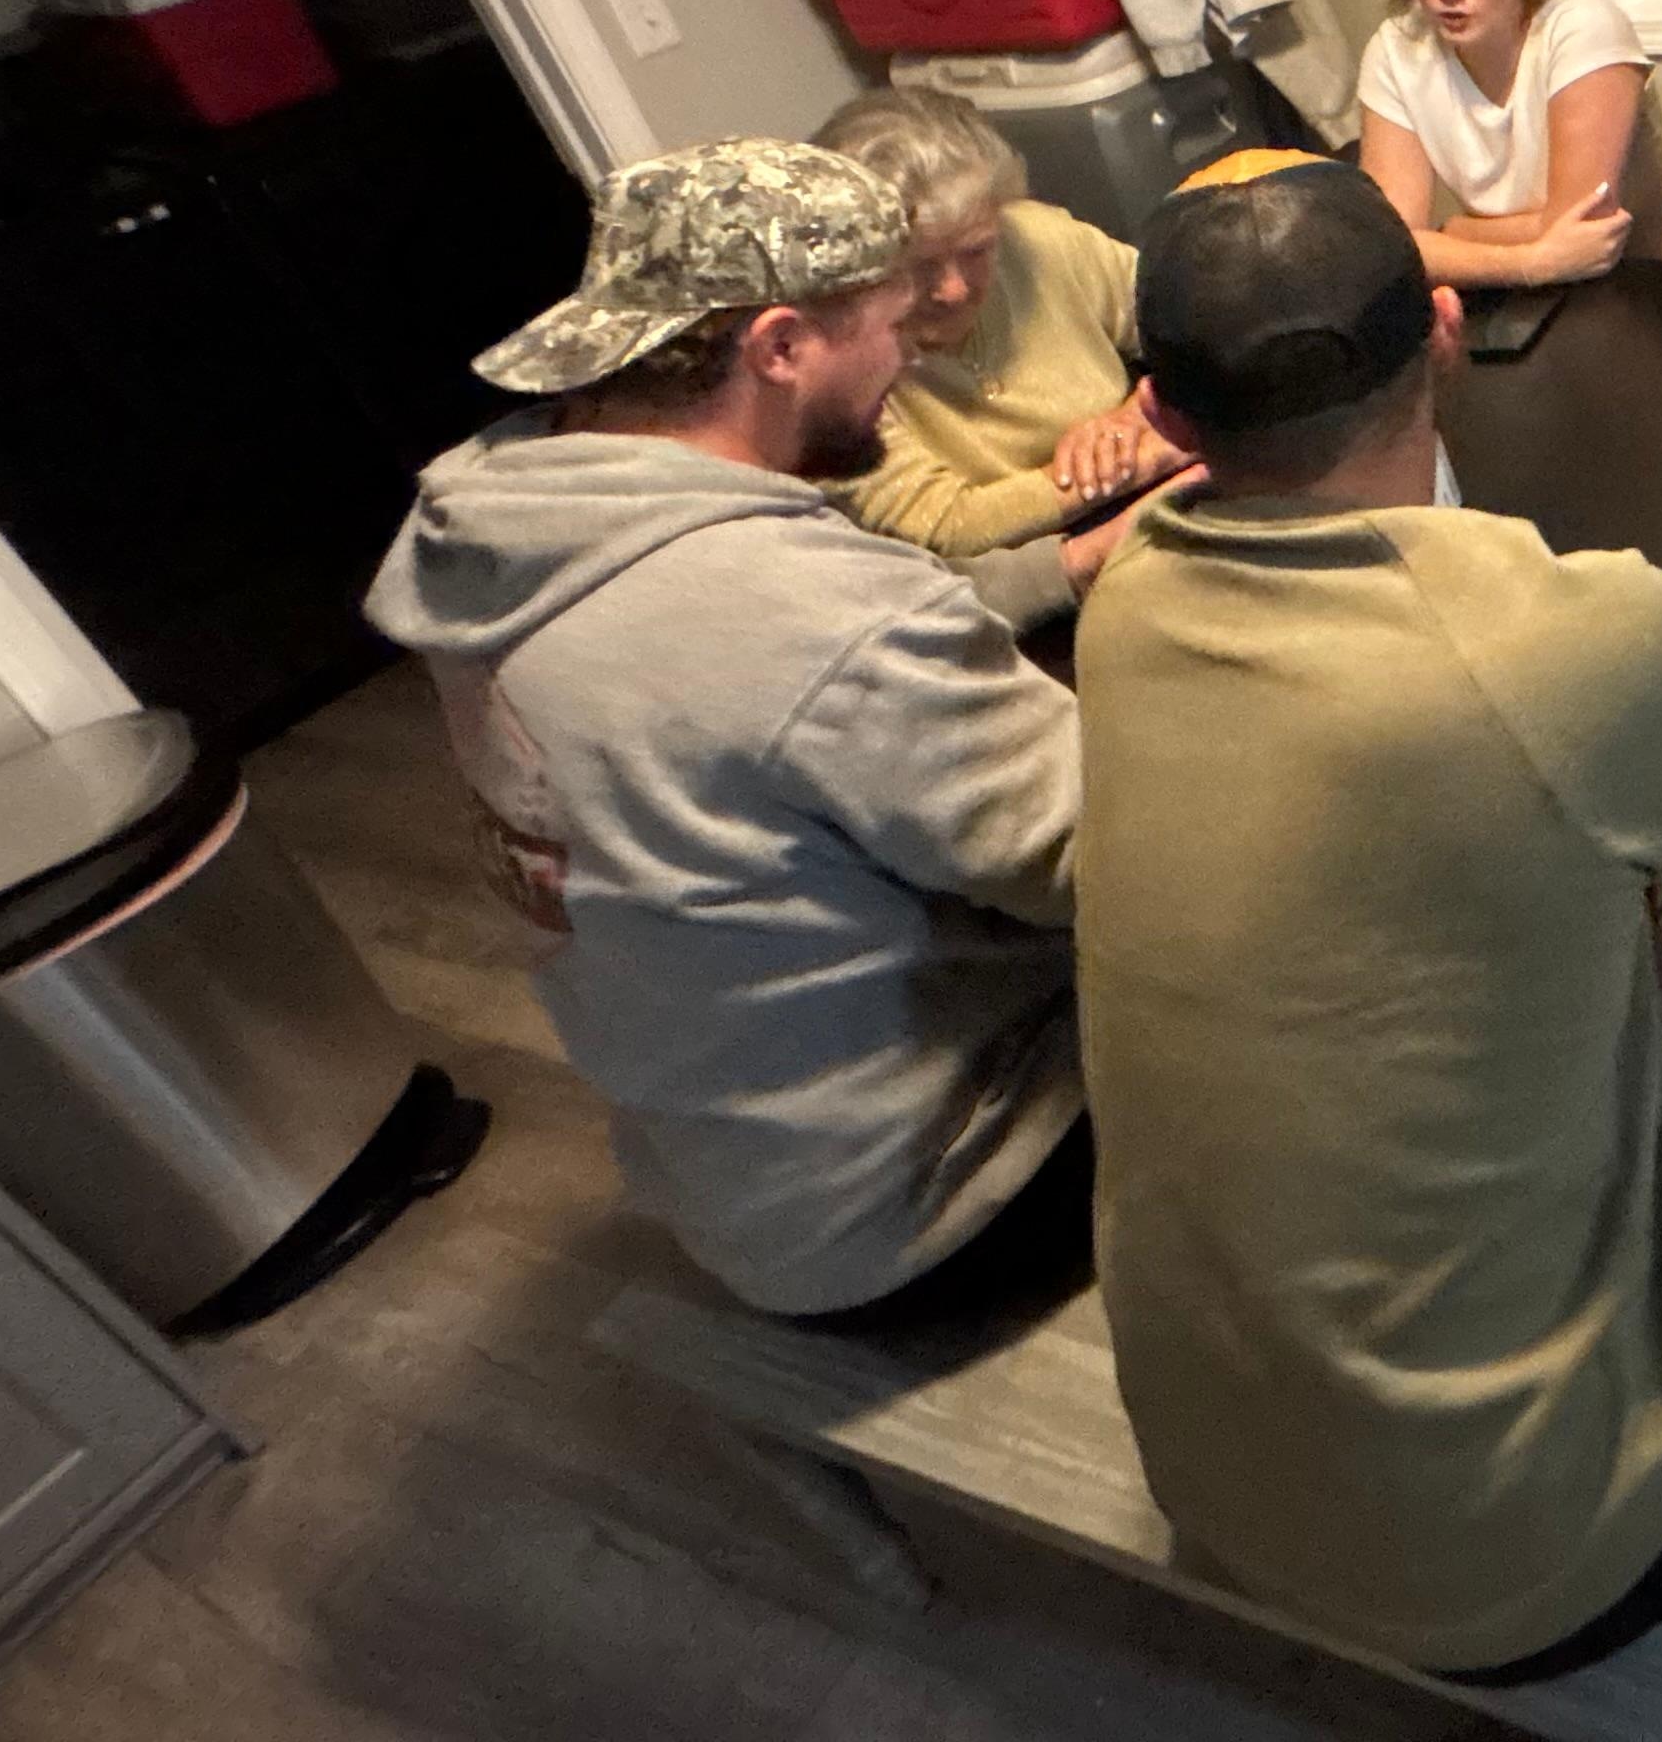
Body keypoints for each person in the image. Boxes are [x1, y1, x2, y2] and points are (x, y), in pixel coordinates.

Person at [1075, 157, 1662, 1678]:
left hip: (1215, 1473)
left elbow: (1442, 837)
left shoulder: (1126, 610)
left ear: (1162, 418)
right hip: (1536, 1554)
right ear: (1443, 328)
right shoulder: (1567, 641)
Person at [364, 140, 1151, 1318]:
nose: (914, 352)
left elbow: (763, 684)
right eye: (893, 325)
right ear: (780, 346)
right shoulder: (817, 619)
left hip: (736, 1183)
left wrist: (1055, 572)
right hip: (937, 1201)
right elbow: (1127, 869)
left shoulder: (502, 524)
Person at [813, 86, 1184, 589]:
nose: (952, 289)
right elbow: (943, 525)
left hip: (1158, 500)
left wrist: (1134, 417)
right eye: (917, 267)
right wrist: (1143, 456)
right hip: (1010, 586)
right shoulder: (835, 355)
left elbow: (1200, 325)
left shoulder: (1042, 241)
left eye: (976, 250)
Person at [1352, 0, 1662, 291]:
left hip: (1650, 278)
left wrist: (1457, 233)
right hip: (1512, 290)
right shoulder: (1395, 50)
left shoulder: (1581, 28)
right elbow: (1390, 245)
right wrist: (1531, 263)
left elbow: (1586, 228)